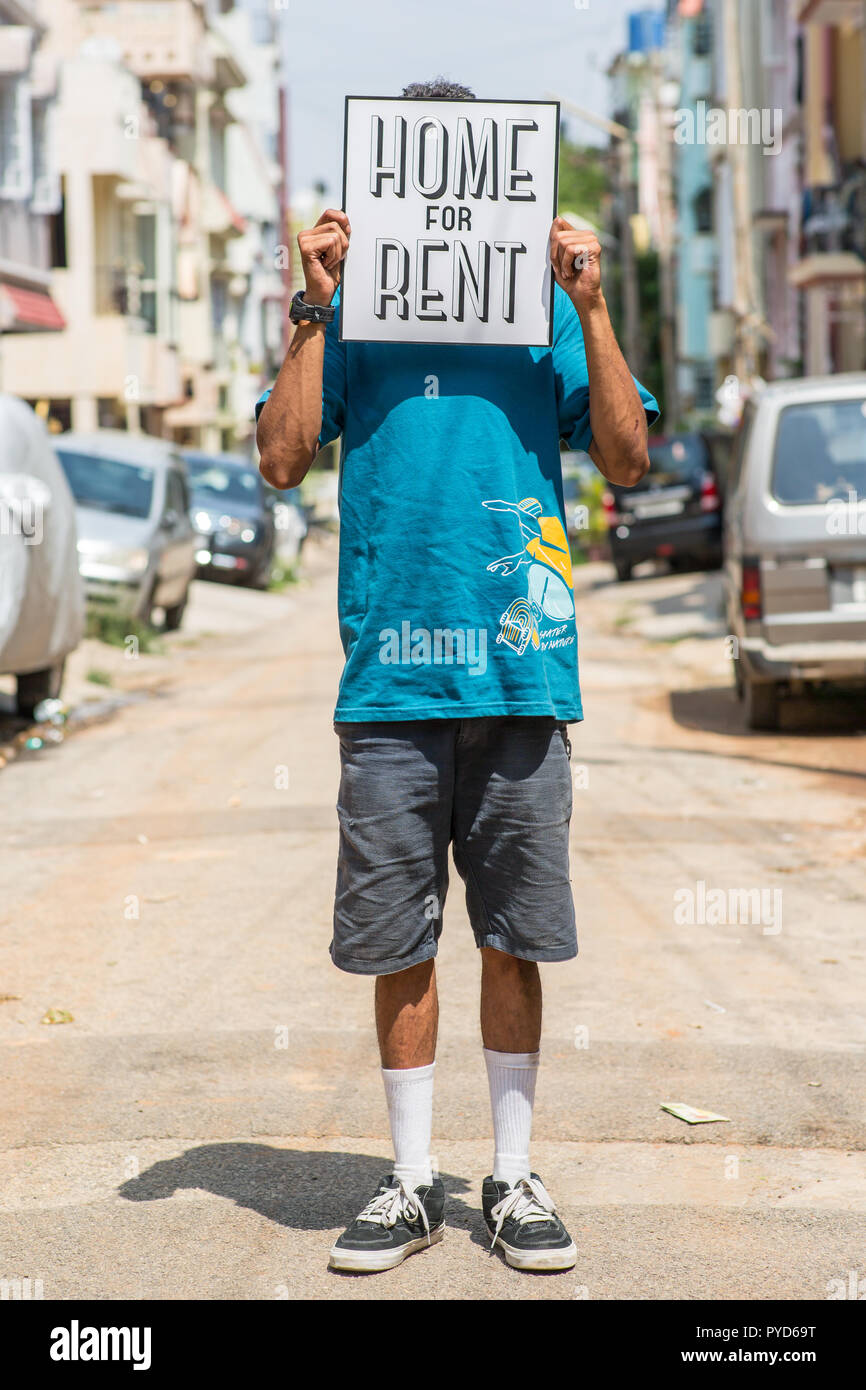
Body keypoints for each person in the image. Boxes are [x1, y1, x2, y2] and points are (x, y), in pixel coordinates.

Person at [256, 78, 659, 1275]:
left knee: (514, 937)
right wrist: (312, 307)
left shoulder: (540, 304)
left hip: (521, 674)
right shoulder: (354, 316)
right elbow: (280, 458)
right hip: (391, 682)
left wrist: (588, 304)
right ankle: (412, 1178)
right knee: (397, 943)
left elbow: (630, 460)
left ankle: (514, 1173)